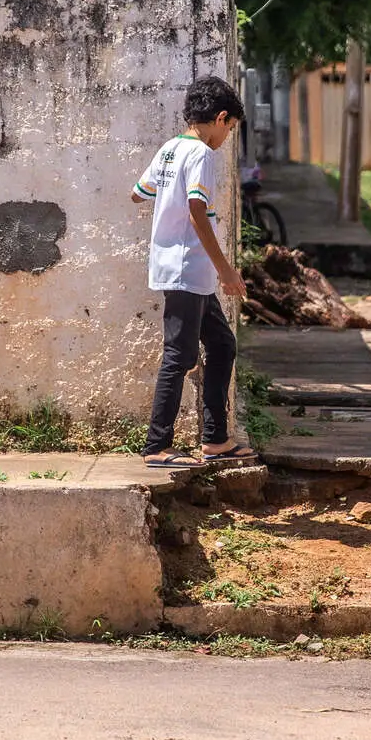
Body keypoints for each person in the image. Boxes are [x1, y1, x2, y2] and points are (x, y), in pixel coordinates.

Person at [130, 76, 257, 468]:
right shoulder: (201, 153)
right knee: (179, 355)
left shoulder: (170, 148)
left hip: (189, 272)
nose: (226, 137)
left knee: (222, 345)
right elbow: (196, 210)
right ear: (220, 118)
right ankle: (156, 445)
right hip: (188, 268)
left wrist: (168, 197)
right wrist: (227, 271)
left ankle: (215, 439)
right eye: (229, 128)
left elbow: (138, 193)